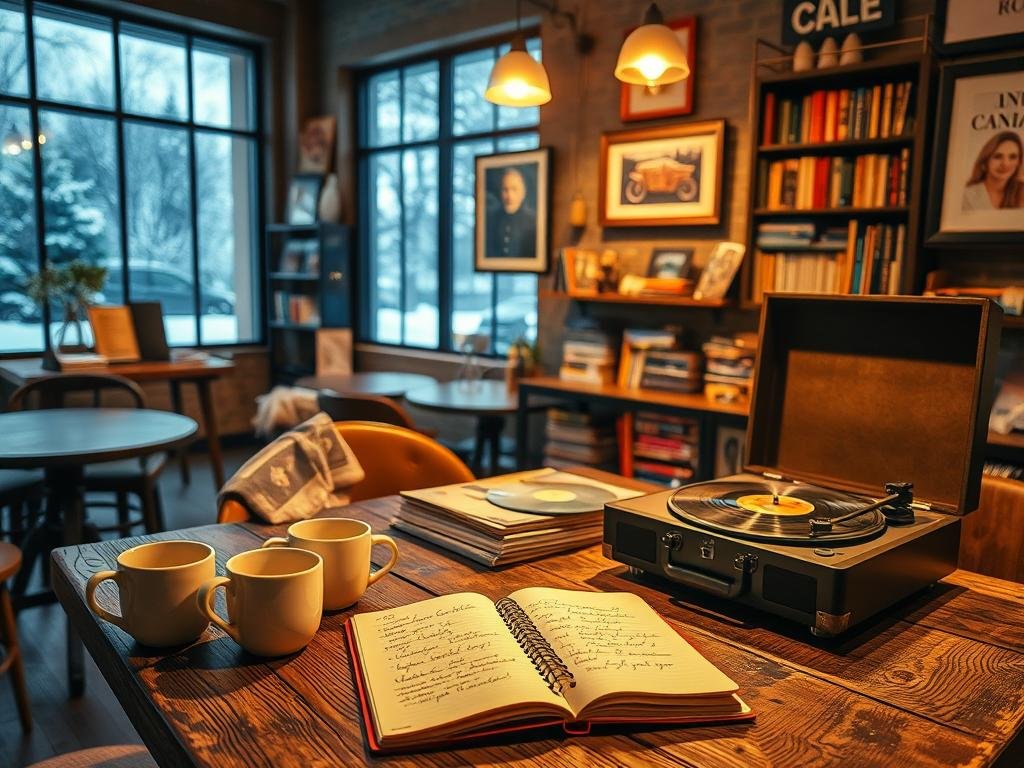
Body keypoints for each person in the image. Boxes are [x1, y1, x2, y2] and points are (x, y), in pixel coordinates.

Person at [962, 131, 1023, 211]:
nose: (1005, 164)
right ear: (984, 161)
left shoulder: (1021, 191)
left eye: (1013, 157)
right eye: (998, 156)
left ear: (1019, 162)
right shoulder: (967, 196)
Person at [486, 167, 536, 258]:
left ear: (523, 192)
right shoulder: (490, 219)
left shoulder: (533, 220)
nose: (509, 196)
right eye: (505, 190)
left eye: (514, 189)